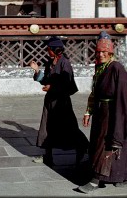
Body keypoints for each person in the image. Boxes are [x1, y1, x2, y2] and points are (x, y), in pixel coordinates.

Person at [77, 31, 127, 193]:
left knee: (107, 144)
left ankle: (95, 180)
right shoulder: (100, 67)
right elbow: (95, 92)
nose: (101, 54)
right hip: (101, 112)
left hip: (115, 112)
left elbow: (126, 94)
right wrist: (89, 112)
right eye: (99, 52)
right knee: (100, 143)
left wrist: (120, 116)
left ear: (110, 53)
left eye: (104, 52)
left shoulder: (117, 68)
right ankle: (125, 176)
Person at [29, 36, 89, 167]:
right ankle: (48, 156)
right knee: (46, 126)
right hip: (50, 100)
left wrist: (53, 87)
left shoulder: (64, 63)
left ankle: (82, 147)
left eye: (49, 49)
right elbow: (45, 80)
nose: (47, 51)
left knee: (69, 128)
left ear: (55, 50)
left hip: (62, 101)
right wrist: (37, 70)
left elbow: (68, 83)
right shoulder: (49, 63)